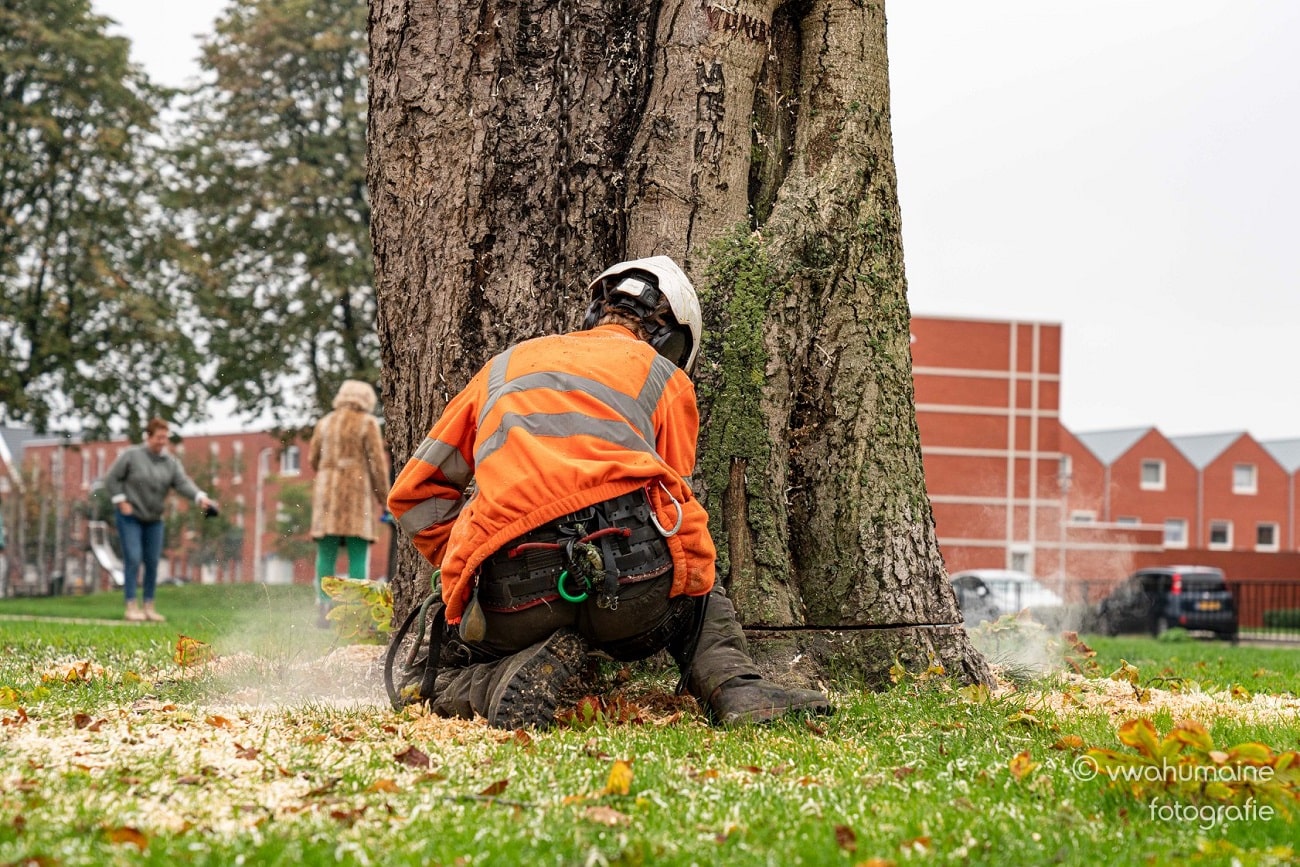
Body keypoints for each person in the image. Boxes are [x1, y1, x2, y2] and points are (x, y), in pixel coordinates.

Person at [387, 255, 831, 729]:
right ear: (674, 341)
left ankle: (497, 680)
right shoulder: (667, 378)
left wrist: (473, 555)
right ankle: (736, 688)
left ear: (593, 313)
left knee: (431, 671)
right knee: (698, 588)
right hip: (636, 582)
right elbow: (671, 502)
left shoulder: (503, 369)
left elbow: (414, 495)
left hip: (512, 595)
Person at [104, 418, 217, 622]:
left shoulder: (170, 462)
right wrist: (120, 501)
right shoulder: (131, 455)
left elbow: (183, 483)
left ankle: (149, 606)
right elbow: (111, 479)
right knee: (134, 558)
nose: (162, 441)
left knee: (153, 562)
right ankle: (131, 606)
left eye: (165, 438)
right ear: (148, 437)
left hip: (154, 519)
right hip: (130, 516)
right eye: (158, 437)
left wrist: (200, 497)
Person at [308, 379, 390, 627]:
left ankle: (323, 603)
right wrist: (384, 499)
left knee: (326, 551)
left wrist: (326, 472)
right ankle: (356, 609)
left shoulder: (324, 423)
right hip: (356, 493)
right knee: (358, 550)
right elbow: (377, 465)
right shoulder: (368, 424)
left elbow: (313, 459)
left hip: (326, 493)